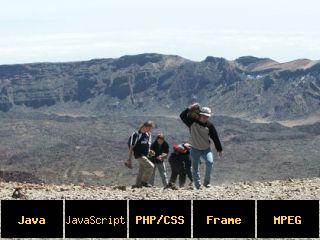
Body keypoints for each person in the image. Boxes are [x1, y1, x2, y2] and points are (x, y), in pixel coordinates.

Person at [180, 103, 223, 189]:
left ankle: (206, 183)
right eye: (204, 115)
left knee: (210, 162)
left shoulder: (210, 126)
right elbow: (182, 115)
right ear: (200, 114)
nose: (205, 117)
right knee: (195, 168)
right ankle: (198, 186)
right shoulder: (191, 122)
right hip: (194, 149)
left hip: (206, 149)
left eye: (207, 116)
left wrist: (219, 149)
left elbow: (215, 137)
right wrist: (189, 108)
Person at [125, 121, 155, 188]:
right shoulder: (136, 134)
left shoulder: (148, 135)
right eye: (149, 128)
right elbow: (131, 146)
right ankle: (144, 182)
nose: (150, 130)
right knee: (151, 166)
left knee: (142, 170)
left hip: (145, 155)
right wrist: (129, 159)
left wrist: (150, 151)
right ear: (144, 126)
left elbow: (146, 145)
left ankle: (137, 185)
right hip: (139, 155)